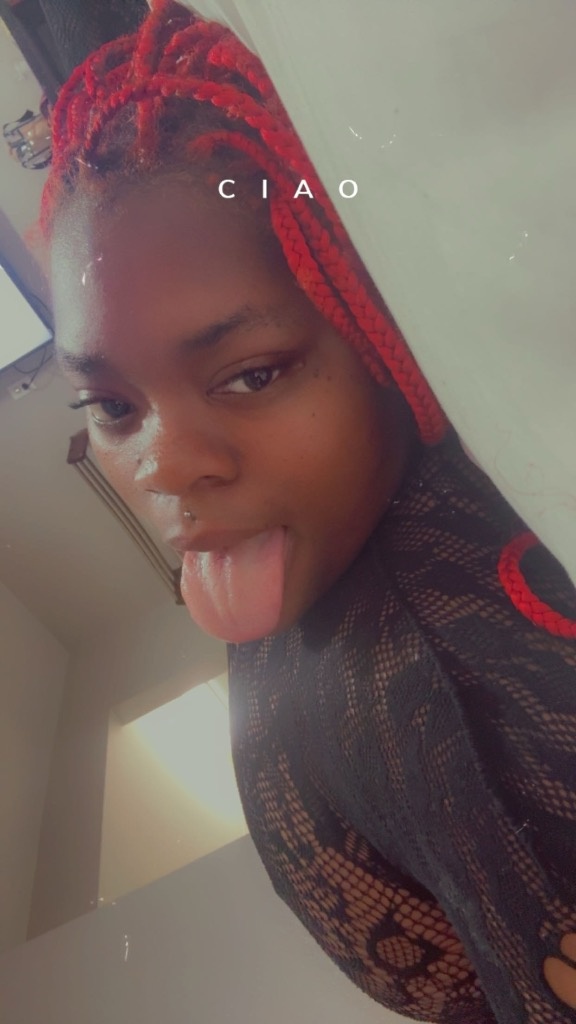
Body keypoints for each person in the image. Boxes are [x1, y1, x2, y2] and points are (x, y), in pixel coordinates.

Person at [39, 1, 576, 1020]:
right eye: (111, 406)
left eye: (252, 374)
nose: (164, 467)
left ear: (370, 314)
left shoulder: (462, 688)